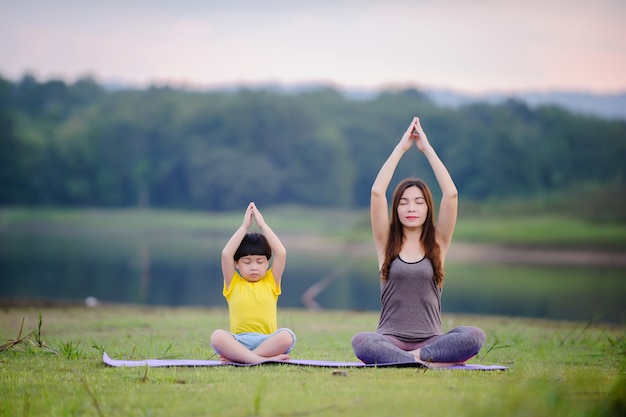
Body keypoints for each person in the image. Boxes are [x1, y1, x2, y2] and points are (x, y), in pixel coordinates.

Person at [351, 117, 485, 368]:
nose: (411, 208)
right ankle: (427, 360)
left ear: (427, 208)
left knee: (475, 335)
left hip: (432, 340)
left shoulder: (439, 242)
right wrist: (402, 147)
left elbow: (452, 194)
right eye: (404, 202)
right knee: (362, 341)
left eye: (418, 202)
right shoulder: (385, 241)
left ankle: (416, 358)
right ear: (396, 209)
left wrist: (426, 149)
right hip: (389, 340)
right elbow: (377, 192)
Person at [210, 202, 296, 363]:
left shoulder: (271, 281)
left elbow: (281, 253)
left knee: (287, 336)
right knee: (217, 336)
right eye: (247, 262)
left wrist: (262, 225)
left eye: (259, 261)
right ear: (237, 264)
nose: (254, 267)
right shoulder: (233, 283)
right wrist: (244, 227)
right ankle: (257, 359)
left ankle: (246, 358)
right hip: (238, 342)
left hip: (267, 341)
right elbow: (226, 254)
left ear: (267, 262)